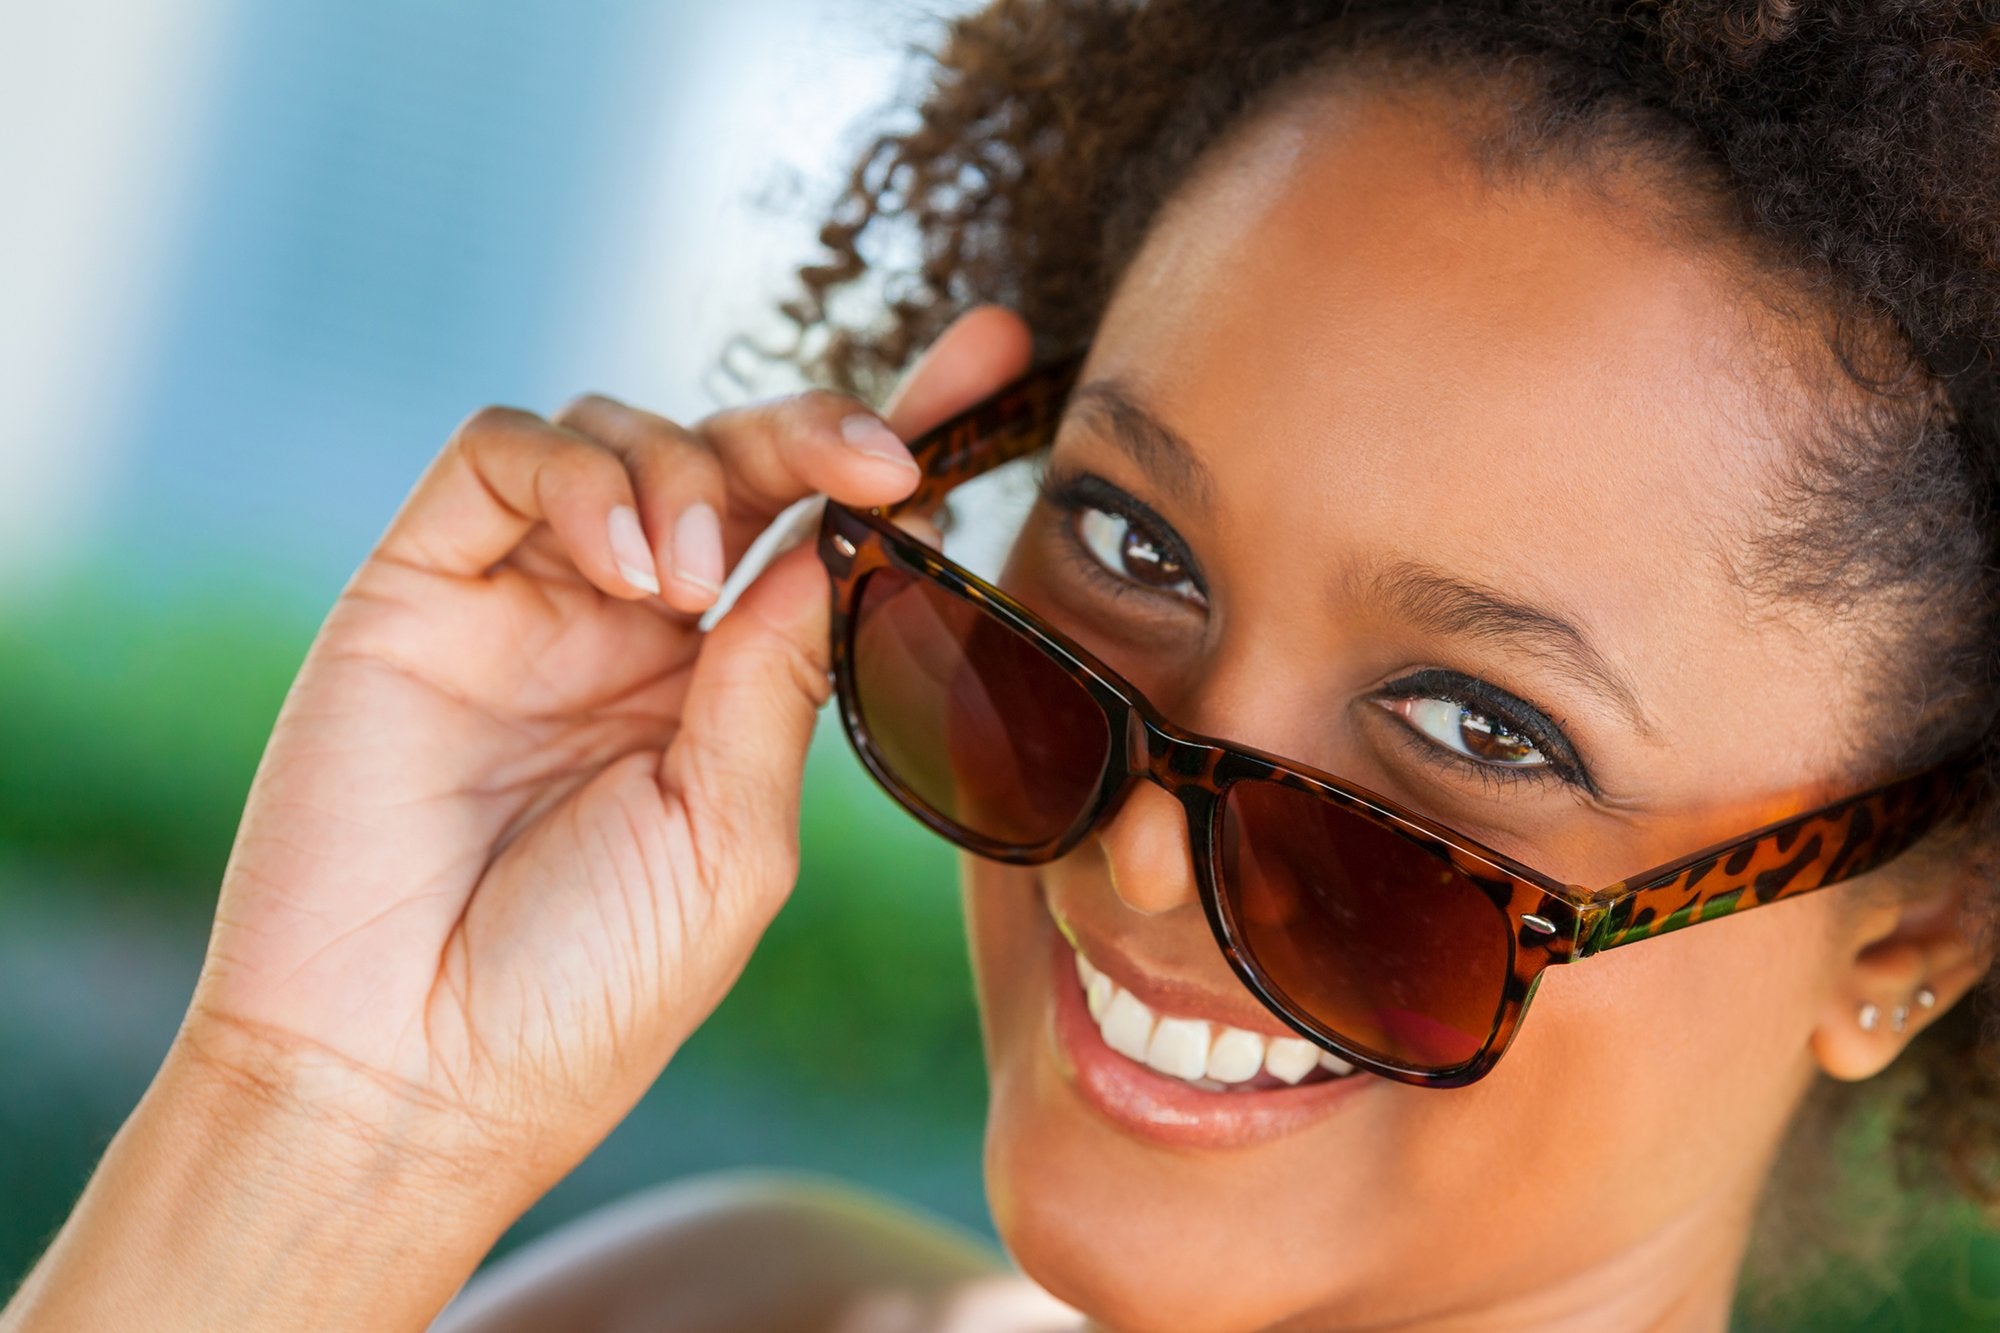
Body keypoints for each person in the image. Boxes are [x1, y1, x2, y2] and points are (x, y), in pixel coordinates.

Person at [5, 1, 1999, 1329]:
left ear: (1906, 934)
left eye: (1479, 725)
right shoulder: (730, 1310)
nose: (1135, 854)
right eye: (1129, 538)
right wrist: (329, 1119)